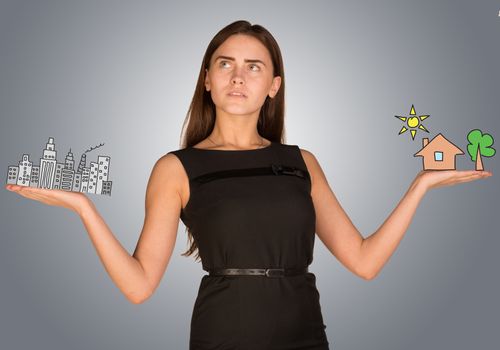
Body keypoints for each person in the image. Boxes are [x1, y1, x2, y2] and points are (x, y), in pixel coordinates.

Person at [5, 20, 492, 350]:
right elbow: (138, 287)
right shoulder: (176, 168)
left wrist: (420, 187)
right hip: (224, 335)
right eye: (225, 64)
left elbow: (364, 262)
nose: (239, 77)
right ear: (207, 80)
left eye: (253, 66)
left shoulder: (301, 162)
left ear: (273, 85)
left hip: (305, 334)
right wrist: (83, 207)